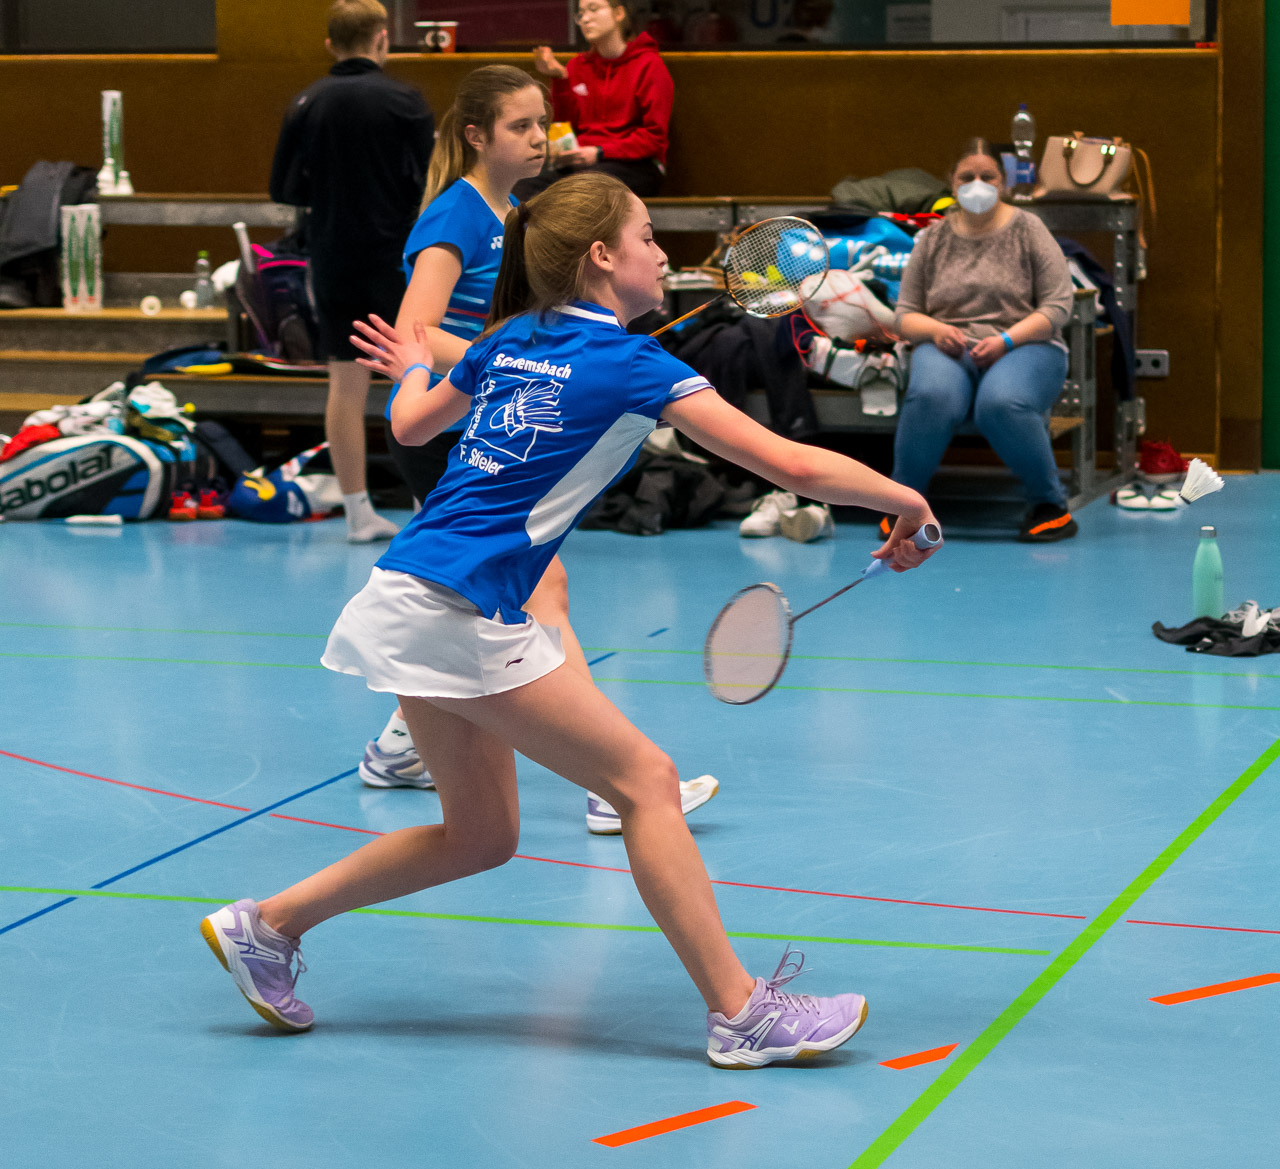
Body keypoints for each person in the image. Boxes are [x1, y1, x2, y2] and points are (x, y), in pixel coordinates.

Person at [199, 172, 941, 1066]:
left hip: (406, 590)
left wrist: (416, 364)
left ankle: (268, 926)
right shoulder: (637, 366)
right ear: (601, 256)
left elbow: (413, 425)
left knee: (481, 836)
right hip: (460, 608)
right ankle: (741, 1012)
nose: (661, 252)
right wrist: (907, 500)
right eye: (647, 237)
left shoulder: (510, 336)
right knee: (646, 782)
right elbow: (792, 465)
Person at [356, 64, 718, 836]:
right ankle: (609, 785)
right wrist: (512, 363)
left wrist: (527, 361)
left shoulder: (517, 212)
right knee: (537, 583)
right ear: (476, 135)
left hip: (497, 411)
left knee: (503, 586)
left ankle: (397, 748)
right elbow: (417, 327)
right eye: (520, 126)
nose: (538, 139)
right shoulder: (457, 214)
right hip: (452, 419)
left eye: (540, 124)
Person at [269, 0, 433, 543]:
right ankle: (424, 505)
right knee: (413, 373)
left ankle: (358, 512)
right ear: (383, 38)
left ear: (329, 45)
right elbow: (430, 181)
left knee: (345, 382)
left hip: (334, 256)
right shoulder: (406, 100)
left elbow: (283, 188)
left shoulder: (306, 102)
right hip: (398, 257)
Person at [889, 138, 1077, 542]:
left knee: (1001, 404)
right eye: (967, 176)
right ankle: (904, 505)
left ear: (1003, 182)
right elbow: (905, 314)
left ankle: (1049, 505)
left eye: (987, 176)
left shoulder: (1029, 229)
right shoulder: (932, 239)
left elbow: (1058, 307)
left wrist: (1006, 341)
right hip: (949, 346)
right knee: (931, 397)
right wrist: (936, 330)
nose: (977, 184)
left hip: (1027, 344)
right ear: (952, 183)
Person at [524, 2, 673, 198]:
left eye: (593, 9)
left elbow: (654, 138)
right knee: (525, 182)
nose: (585, 19)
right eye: (581, 14)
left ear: (618, 13)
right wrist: (560, 79)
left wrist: (600, 151)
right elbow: (565, 127)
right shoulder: (577, 66)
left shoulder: (649, 65)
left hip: (635, 164)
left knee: (584, 187)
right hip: (582, 161)